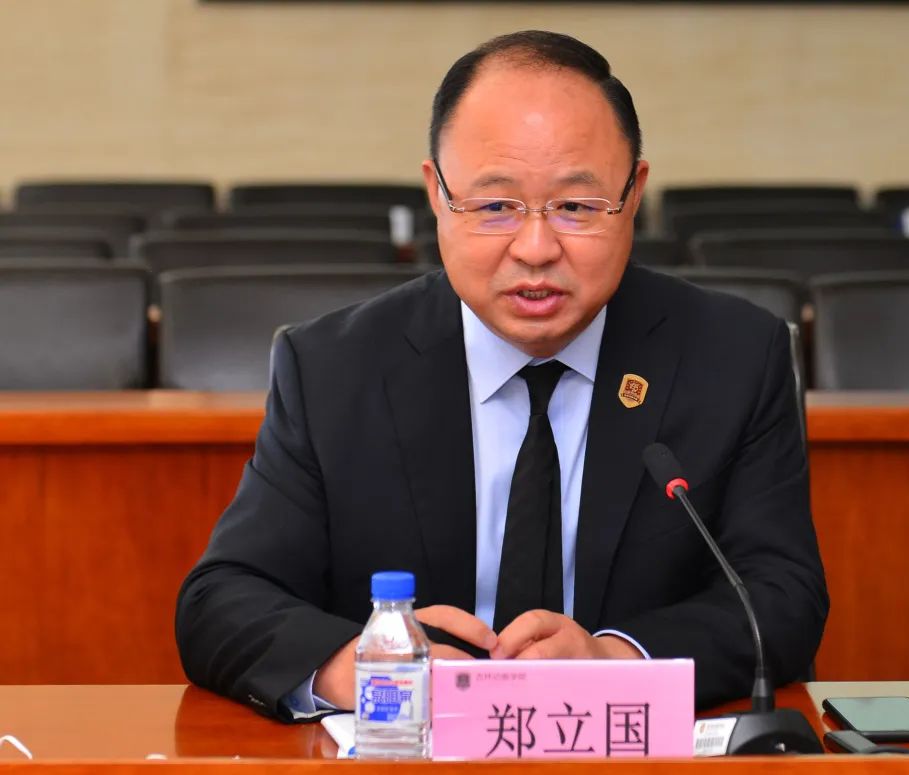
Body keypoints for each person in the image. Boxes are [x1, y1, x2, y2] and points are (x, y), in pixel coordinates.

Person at [175, 30, 827, 722]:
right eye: (494, 207)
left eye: (577, 207)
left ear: (633, 194)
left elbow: (780, 592)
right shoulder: (334, 367)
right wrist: (366, 667)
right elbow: (222, 599)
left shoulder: (732, 355)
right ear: (437, 195)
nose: (536, 248)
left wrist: (615, 661)